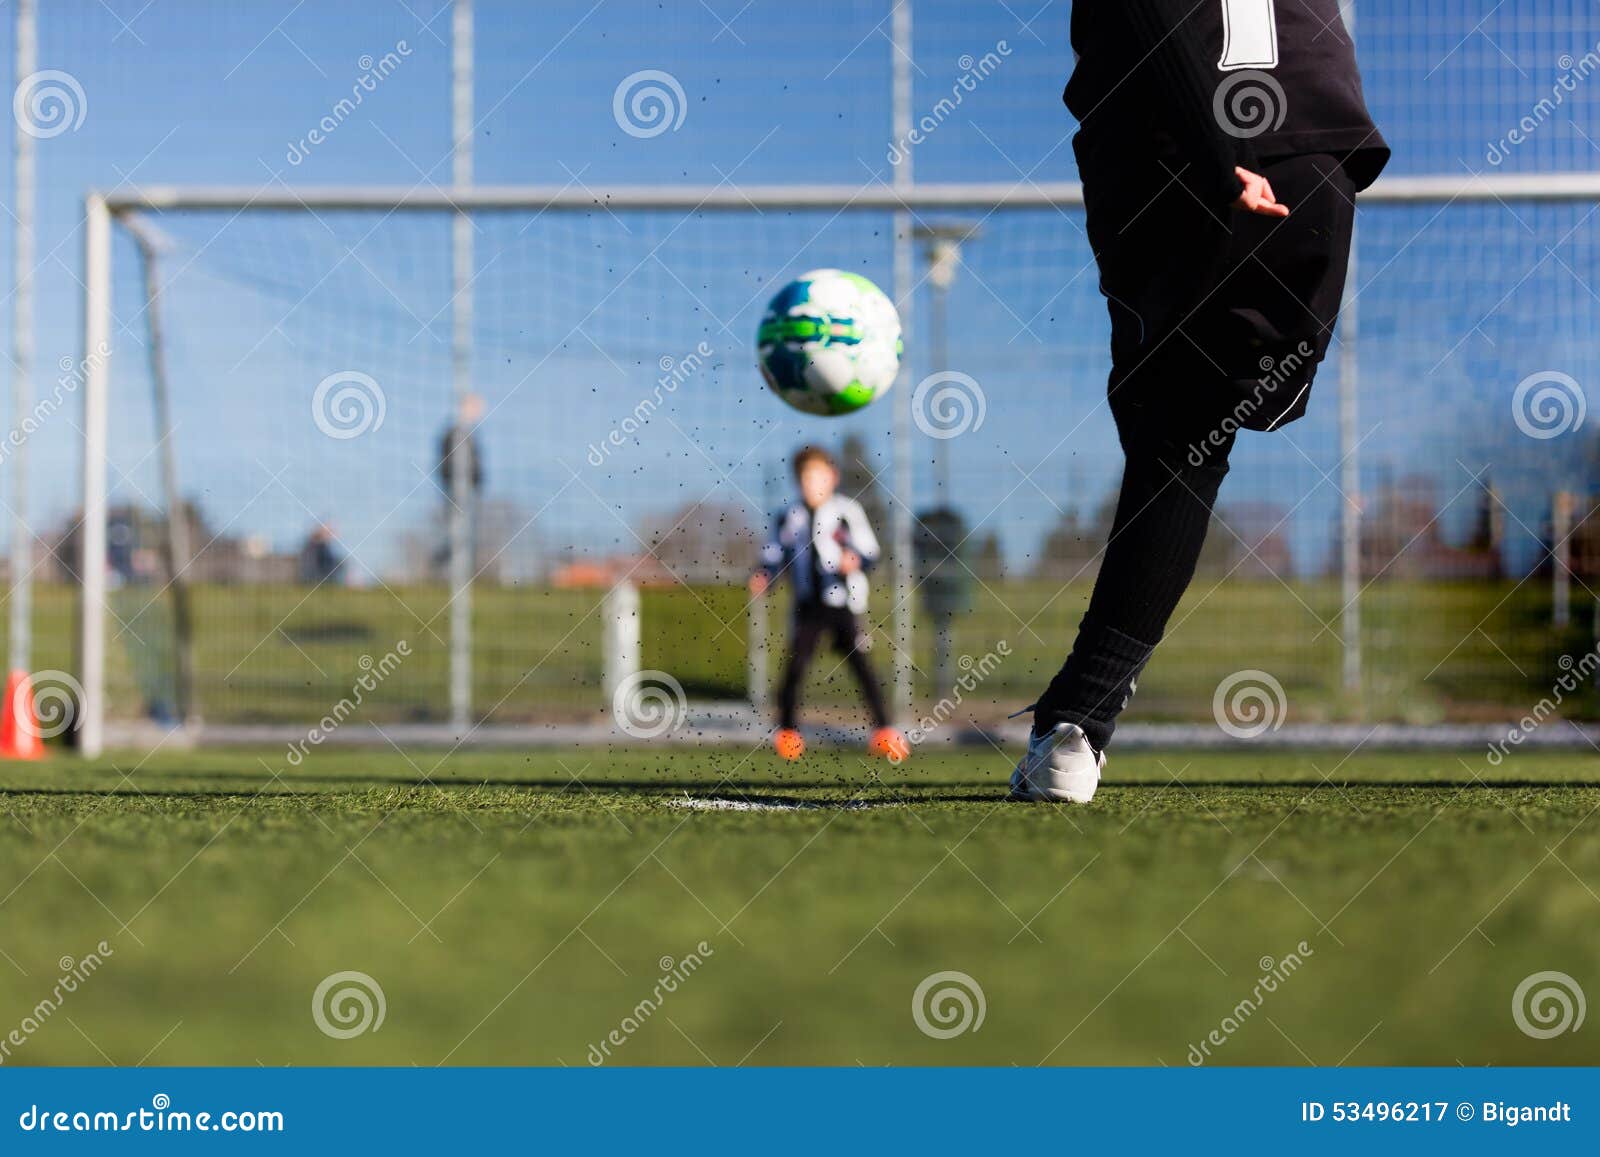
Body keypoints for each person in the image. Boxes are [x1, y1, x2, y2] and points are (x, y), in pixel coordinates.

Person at [1012, 1, 1390, 803]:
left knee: (1174, 440)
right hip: (1319, 156)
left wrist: (1217, 152)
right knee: (1195, 434)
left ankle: (1078, 721)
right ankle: (1081, 714)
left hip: (1182, 159)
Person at [750, 445, 909, 762]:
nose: (812, 485)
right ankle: (788, 732)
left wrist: (855, 561)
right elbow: (774, 553)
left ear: (832, 478)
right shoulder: (789, 516)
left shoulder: (846, 512)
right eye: (806, 479)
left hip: (844, 605)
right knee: (795, 665)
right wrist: (764, 574)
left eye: (818, 477)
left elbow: (869, 552)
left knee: (862, 665)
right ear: (799, 482)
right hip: (807, 607)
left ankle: (884, 731)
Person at [435, 392, 486, 577]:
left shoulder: (471, 434)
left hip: (468, 491)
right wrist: (454, 483)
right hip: (455, 492)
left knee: (467, 534)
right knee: (454, 533)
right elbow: (445, 464)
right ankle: (443, 569)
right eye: (475, 407)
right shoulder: (453, 434)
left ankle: (462, 574)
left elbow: (476, 466)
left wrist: (477, 482)